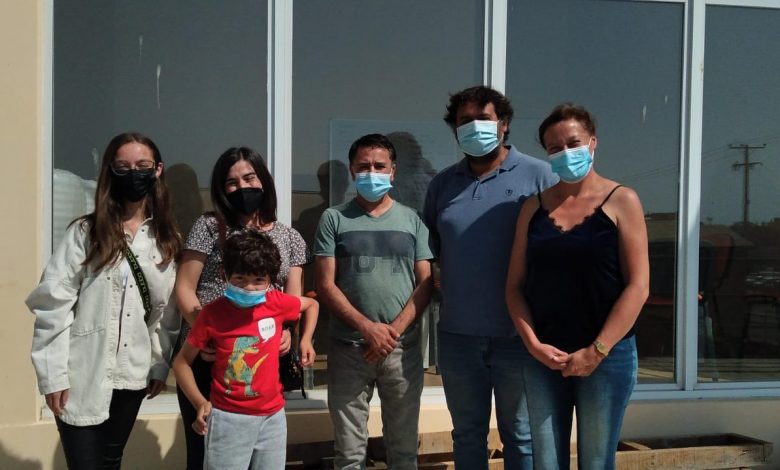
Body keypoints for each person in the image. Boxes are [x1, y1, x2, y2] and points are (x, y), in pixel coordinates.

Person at [505, 103, 649, 469]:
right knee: (546, 462)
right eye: (555, 147)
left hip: (606, 357)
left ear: (593, 142)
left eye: (574, 143)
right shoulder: (532, 208)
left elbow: (638, 287)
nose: (566, 152)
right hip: (543, 359)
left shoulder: (623, 200)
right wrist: (533, 345)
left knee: (596, 461)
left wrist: (596, 351)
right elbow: (514, 287)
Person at [27, 132, 181, 469]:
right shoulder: (86, 233)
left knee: (111, 461)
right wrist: (53, 375)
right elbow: (53, 304)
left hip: (131, 375)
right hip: (82, 372)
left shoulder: (165, 240)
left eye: (142, 166)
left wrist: (159, 364)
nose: (133, 174)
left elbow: (165, 313)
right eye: (123, 167)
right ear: (110, 170)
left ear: (157, 170)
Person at [422, 86, 558, 470]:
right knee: (467, 434)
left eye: (483, 118)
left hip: (518, 336)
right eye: (465, 121)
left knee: (520, 434)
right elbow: (433, 251)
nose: (474, 127)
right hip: (458, 336)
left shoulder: (540, 176)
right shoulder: (442, 185)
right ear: (454, 129)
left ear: (504, 124)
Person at [174, 147, 310, 469]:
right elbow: (184, 287)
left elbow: (295, 298)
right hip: (208, 356)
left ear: (264, 181)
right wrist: (205, 333)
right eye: (232, 182)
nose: (242, 187)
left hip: (260, 358)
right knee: (204, 453)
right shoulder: (209, 226)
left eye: (249, 178)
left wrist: (288, 332)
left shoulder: (290, 237)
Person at [314, 133, 434, 470]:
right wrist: (368, 329)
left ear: (393, 171)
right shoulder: (334, 218)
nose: (372, 172)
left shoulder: (413, 220)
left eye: (380, 166)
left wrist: (390, 333)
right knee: (349, 454)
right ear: (352, 171)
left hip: (402, 351)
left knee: (404, 450)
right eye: (364, 166)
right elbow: (325, 284)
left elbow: (426, 283)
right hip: (349, 349)